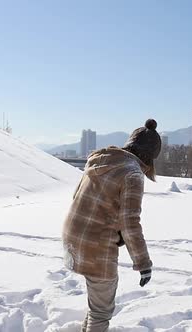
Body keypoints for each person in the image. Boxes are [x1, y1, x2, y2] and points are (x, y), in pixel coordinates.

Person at [62, 119, 161, 332]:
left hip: (73, 234)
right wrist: (143, 263)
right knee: (101, 310)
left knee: (97, 302)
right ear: (151, 156)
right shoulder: (132, 173)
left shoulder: (99, 159)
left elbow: (78, 196)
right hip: (96, 244)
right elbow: (130, 223)